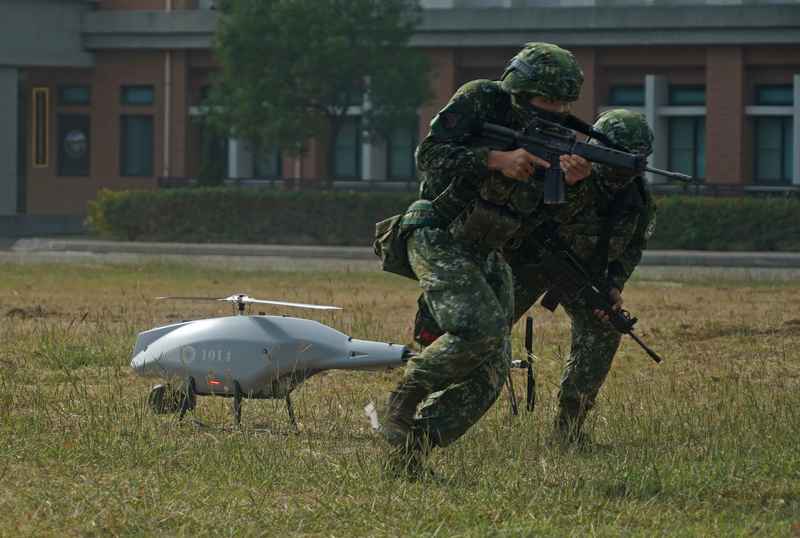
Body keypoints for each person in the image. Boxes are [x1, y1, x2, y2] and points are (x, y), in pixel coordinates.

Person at [365, 42, 591, 477]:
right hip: (437, 231)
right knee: (479, 326)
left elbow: (551, 219)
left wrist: (575, 184)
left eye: (567, 103)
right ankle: (399, 400)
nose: (560, 110)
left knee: (490, 375)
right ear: (520, 90)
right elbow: (428, 154)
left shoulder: (558, 140)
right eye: (549, 100)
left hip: (487, 249)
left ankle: (410, 451)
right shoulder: (481, 98)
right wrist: (495, 159)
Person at [414, 108, 658, 450]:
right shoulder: (559, 169)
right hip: (522, 264)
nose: (623, 170)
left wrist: (614, 284)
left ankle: (568, 433)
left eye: (634, 162)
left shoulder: (638, 196)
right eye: (618, 159)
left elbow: (634, 244)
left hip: (578, 272)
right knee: (481, 343)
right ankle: (417, 420)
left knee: (604, 329)